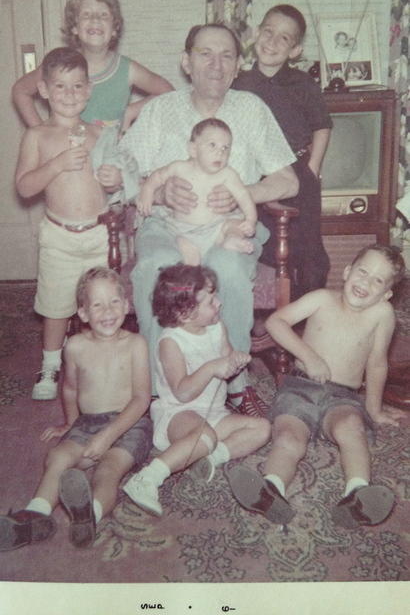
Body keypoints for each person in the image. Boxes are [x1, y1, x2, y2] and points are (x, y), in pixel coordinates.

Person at [106, 22, 299, 414]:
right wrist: (158, 192)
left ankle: (236, 383)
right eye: (205, 54)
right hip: (166, 224)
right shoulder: (161, 110)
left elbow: (288, 180)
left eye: (227, 55)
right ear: (186, 62)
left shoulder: (251, 109)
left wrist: (243, 194)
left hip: (227, 228)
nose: (216, 64)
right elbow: (120, 173)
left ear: (236, 65)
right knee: (158, 266)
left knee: (225, 266)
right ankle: (159, 389)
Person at [227, 244, 407, 529]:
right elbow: (277, 322)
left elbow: (376, 363)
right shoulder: (322, 298)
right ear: (347, 272)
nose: (366, 283)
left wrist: (373, 408)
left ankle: (357, 495)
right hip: (300, 386)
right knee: (288, 437)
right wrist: (309, 356)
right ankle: (271, 490)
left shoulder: (382, 315)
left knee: (352, 428)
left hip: (343, 397)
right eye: (363, 272)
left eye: (378, 280)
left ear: (387, 294)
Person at [0, 267, 152, 551]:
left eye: (114, 302)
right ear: (82, 313)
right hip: (88, 423)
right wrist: (71, 423)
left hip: (129, 424)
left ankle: (88, 517)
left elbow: (142, 399)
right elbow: (69, 388)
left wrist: (107, 436)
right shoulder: (75, 346)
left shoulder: (136, 344)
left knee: (107, 470)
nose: (107, 311)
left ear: (126, 306)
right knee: (58, 456)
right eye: (97, 304)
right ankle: (36, 516)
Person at [15, 47, 121, 401]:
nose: (69, 95)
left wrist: (112, 180)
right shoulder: (37, 136)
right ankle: (50, 365)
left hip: (98, 234)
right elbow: (25, 187)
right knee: (56, 306)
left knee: (102, 303)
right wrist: (57, 163)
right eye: (60, 87)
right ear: (44, 90)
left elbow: (115, 185)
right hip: (59, 236)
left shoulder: (98, 134)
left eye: (77, 87)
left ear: (89, 90)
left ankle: (104, 363)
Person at [123, 263, 271, 516]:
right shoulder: (171, 342)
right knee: (206, 436)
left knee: (262, 428)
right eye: (210, 300)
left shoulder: (216, 327)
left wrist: (235, 359)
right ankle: (147, 478)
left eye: (215, 296)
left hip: (213, 413)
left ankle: (208, 459)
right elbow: (182, 392)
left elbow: (226, 357)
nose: (219, 303)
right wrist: (213, 367)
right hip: (178, 414)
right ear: (185, 313)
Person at [233, 4, 332, 301]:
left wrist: (311, 169)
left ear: (295, 50)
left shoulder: (303, 84)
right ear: (255, 34)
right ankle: (271, 311)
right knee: (266, 246)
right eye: (268, 32)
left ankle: (307, 314)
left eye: (284, 39)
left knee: (307, 250)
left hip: (298, 173)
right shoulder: (239, 83)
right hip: (257, 176)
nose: (272, 42)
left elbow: (322, 126)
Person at [12, 0, 173, 132]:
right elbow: (21, 90)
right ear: (75, 26)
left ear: (115, 29)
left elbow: (168, 92)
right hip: (66, 153)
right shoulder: (60, 65)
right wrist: (40, 131)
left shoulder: (127, 69)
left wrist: (132, 111)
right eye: (86, 15)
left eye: (103, 15)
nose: (95, 19)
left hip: (108, 157)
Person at [137, 118, 257, 265]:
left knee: (234, 225)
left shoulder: (227, 174)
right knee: (182, 248)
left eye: (225, 148)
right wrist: (147, 191)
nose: (220, 152)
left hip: (215, 228)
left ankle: (232, 240)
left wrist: (250, 220)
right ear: (193, 150)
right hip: (182, 230)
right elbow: (157, 176)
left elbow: (243, 196)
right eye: (212, 145)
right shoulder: (179, 168)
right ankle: (192, 270)